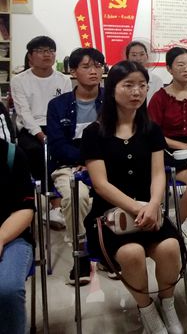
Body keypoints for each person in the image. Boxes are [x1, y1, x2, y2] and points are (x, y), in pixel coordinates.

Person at [81, 61, 185, 334]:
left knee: (170, 248)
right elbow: (101, 184)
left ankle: (168, 305)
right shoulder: (93, 133)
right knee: (131, 253)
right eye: (128, 85)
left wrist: (153, 205)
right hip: (109, 216)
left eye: (142, 85)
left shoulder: (151, 129)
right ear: (111, 88)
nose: (136, 91)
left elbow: (159, 174)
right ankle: (146, 309)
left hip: (150, 210)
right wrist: (137, 208)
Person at [46, 47, 104, 286]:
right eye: (86, 66)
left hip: (104, 163)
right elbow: (57, 145)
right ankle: (81, 253)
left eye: (98, 66)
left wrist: (93, 162)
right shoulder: (57, 105)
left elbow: (116, 137)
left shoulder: (111, 101)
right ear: (73, 71)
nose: (94, 71)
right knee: (75, 196)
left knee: (116, 191)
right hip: (68, 165)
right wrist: (84, 160)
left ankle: (106, 248)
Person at [148, 47, 187, 247]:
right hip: (165, 152)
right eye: (180, 65)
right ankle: (185, 223)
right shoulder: (159, 98)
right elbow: (154, 134)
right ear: (169, 68)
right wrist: (182, 145)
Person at [10, 35, 72, 229]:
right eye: (41, 51)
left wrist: (55, 134)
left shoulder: (63, 79)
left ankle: (58, 204)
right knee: (37, 151)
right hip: (31, 129)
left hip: (56, 126)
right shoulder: (19, 80)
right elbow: (24, 113)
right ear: (30, 57)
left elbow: (65, 109)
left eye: (50, 51)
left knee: (62, 150)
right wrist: (41, 135)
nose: (47, 55)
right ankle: (49, 202)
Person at [0, 139, 35, 334]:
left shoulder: (11, 155)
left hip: (12, 237)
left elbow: (25, 210)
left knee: (7, 290)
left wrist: (1, 238)